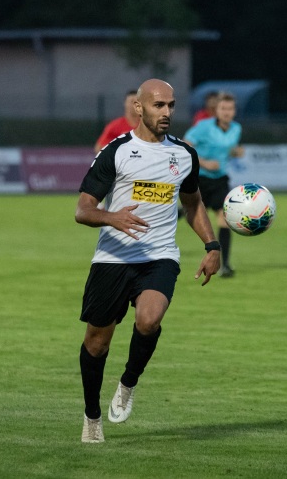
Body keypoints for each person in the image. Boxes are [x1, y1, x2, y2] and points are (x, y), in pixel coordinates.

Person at [75, 79, 221, 443]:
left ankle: (128, 383)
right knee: (96, 342)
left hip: (159, 255)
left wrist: (211, 245)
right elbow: (82, 210)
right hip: (112, 258)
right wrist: (114, 217)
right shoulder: (116, 151)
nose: (167, 113)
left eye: (171, 105)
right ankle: (92, 416)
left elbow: (192, 203)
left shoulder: (184, 154)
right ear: (139, 108)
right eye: (158, 106)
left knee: (149, 318)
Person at [183, 92, 244, 277]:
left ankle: (225, 265)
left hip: (220, 180)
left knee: (224, 218)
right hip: (199, 178)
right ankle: (179, 212)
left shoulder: (236, 129)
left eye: (230, 108)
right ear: (216, 110)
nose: (227, 112)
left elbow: (227, 150)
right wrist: (204, 162)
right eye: (223, 108)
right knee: (195, 214)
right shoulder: (203, 127)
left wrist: (235, 152)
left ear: (234, 111)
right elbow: (185, 145)